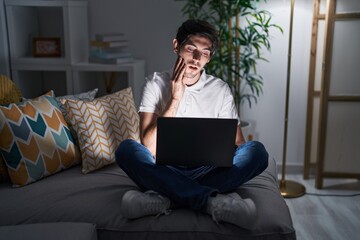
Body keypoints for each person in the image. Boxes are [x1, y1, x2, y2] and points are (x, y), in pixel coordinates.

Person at [115, 19, 268, 230]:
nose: (196, 59)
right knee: (126, 150)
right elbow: (149, 146)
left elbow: (239, 143)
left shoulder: (220, 89)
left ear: (209, 58)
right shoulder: (155, 83)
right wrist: (175, 98)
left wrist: (224, 154)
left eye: (204, 53)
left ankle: (166, 197)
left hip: (205, 170)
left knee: (257, 152)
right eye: (191, 49)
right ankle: (211, 201)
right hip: (163, 167)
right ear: (176, 46)